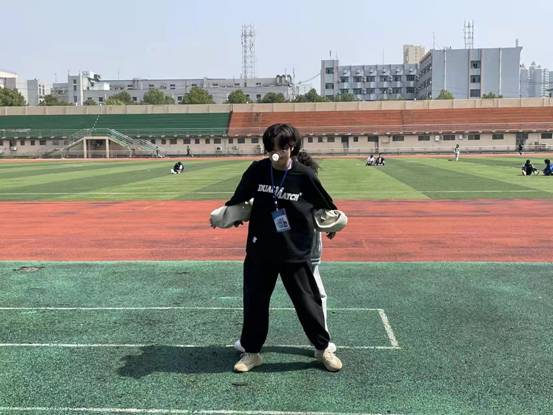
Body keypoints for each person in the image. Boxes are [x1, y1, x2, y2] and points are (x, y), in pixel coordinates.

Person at [219, 123, 342, 373]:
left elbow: (325, 203)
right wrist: (229, 215)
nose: (276, 154)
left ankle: (322, 349)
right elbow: (239, 197)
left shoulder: (304, 175)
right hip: (260, 249)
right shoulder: (257, 170)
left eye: (282, 148)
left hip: (294, 249)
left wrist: (332, 224)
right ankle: (251, 353)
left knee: (308, 302)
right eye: (271, 149)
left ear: (292, 147)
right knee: (255, 301)